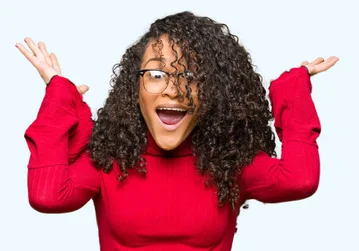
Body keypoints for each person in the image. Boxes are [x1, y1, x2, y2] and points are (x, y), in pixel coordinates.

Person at [17, 11, 338, 251]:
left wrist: (291, 91)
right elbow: (47, 196)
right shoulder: (109, 161)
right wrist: (60, 96)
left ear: (215, 90)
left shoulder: (229, 164)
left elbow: (301, 179)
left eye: (190, 76)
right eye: (156, 73)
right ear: (135, 88)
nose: (173, 90)